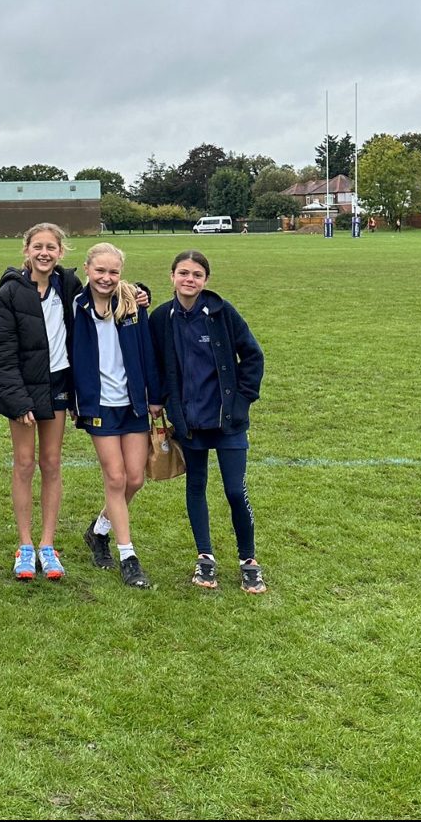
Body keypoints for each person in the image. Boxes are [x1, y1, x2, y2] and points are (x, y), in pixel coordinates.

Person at [150, 250, 267, 593]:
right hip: (189, 422)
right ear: (172, 276)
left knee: (234, 490)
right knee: (196, 486)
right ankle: (205, 557)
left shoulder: (221, 312)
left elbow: (252, 355)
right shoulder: (161, 318)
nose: (189, 279)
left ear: (205, 280)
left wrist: (243, 398)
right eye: (183, 273)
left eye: (197, 274)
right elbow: (155, 364)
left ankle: (249, 560)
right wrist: (165, 401)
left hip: (228, 420)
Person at [0, 223, 80, 581]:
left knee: (51, 463)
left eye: (51, 247)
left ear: (60, 252)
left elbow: (103, 298)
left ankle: (47, 545)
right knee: (25, 463)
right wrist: (16, 399)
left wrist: (141, 292)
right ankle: (25, 546)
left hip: (57, 385)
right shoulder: (10, 293)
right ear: (26, 250)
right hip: (23, 389)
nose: (44, 253)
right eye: (38, 246)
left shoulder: (69, 287)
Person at [71, 243, 162, 589]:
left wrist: (154, 397)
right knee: (116, 478)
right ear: (87, 269)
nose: (106, 278)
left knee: (135, 479)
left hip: (133, 404)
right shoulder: (75, 305)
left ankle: (98, 531)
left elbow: (148, 353)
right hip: (99, 406)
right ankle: (129, 557)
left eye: (113, 272)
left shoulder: (132, 305)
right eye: (100, 271)